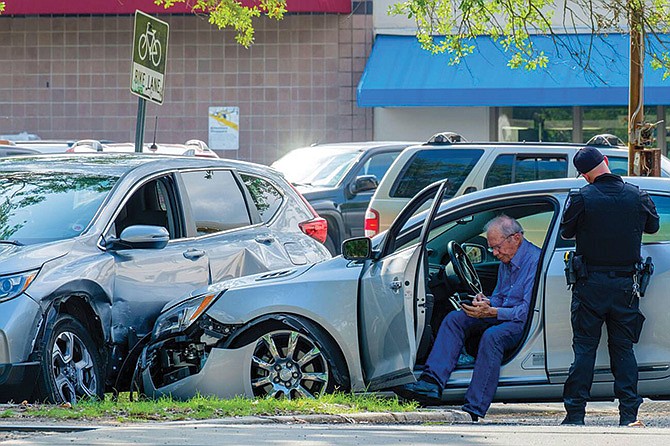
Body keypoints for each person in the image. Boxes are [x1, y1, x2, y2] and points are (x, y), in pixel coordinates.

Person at [396, 215, 541, 421]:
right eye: (491, 248)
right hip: (503, 313)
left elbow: (526, 312)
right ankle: (431, 383)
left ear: (515, 238)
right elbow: (501, 296)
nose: (494, 253)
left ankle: (474, 407)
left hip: (522, 322)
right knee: (456, 318)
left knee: (492, 336)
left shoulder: (535, 261)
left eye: (497, 247)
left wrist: (493, 312)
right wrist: (487, 302)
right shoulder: (506, 259)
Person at [560, 146, 659, 427]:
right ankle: (629, 415)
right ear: (605, 162)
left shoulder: (582, 197)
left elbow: (566, 231)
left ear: (583, 175)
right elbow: (652, 227)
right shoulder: (637, 195)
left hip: (589, 285)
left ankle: (575, 415)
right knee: (624, 350)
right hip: (625, 287)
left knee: (584, 350)